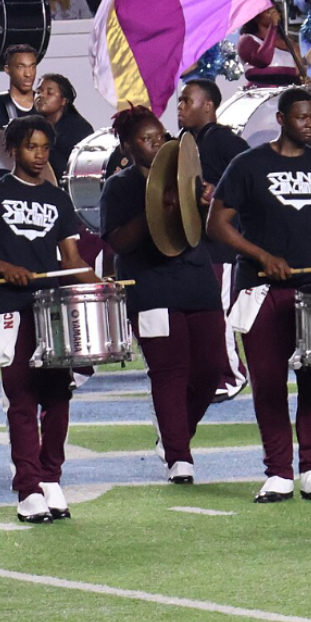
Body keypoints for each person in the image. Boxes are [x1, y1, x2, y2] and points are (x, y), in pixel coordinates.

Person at [206, 87, 311, 503]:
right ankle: (278, 472)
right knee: (268, 384)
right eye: (301, 118)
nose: (310, 124)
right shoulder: (248, 164)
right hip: (260, 290)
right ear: (281, 120)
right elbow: (217, 223)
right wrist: (262, 254)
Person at [0, 115, 100, 523]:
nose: (39, 155)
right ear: (13, 149)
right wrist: (0, 267)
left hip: (51, 307)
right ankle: (28, 488)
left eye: (45, 148)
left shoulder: (58, 199)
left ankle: (51, 477)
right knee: (20, 395)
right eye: (31, 147)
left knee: (58, 394)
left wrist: (103, 287)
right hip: (9, 307)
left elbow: (71, 260)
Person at [100, 106, 224, 484]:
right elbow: (118, 241)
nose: (157, 144)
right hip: (150, 285)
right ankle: (179, 457)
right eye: (147, 139)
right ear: (127, 146)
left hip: (196, 280)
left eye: (161, 137)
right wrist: (153, 207)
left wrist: (207, 203)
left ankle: (174, 431)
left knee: (211, 370)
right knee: (170, 371)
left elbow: (209, 231)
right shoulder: (119, 186)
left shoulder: (187, 175)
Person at [176, 78, 252, 402]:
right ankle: (205, 373)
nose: (180, 108)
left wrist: (219, 191)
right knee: (199, 312)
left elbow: (252, 178)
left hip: (220, 245)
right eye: (179, 102)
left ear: (208, 105)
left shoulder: (223, 140)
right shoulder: (183, 140)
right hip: (193, 244)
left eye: (186, 101)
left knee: (219, 311)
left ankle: (232, 375)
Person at [34, 72, 90, 181]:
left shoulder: (78, 128)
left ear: (63, 101)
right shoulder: (31, 124)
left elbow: (68, 170)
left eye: (49, 93)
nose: (41, 95)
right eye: (38, 91)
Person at [239, 7, 302, 87]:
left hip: (288, 91)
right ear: (256, 17)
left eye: (275, 10)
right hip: (261, 93)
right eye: (268, 11)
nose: (273, 13)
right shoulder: (247, 39)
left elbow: (298, 71)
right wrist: (272, 28)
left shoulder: (289, 43)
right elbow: (263, 60)